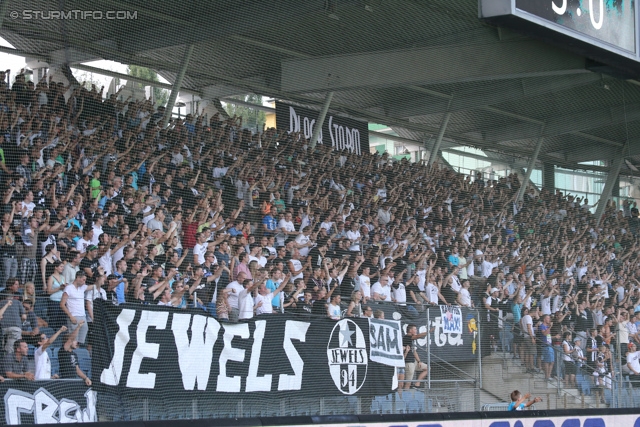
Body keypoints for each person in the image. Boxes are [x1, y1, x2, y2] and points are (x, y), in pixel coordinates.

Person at [60, 271, 96, 345]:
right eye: (83, 280)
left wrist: (99, 276)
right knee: (73, 339)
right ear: (78, 278)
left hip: (83, 316)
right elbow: (62, 304)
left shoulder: (82, 288)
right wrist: (70, 316)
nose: (84, 282)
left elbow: (94, 286)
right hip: (74, 316)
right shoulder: (68, 288)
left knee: (80, 341)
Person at [58, 320, 91, 385]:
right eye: (74, 341)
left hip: (73, 380)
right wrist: (78, 327)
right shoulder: (63, 351)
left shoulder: (74, 354)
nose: (76, 342)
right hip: (64, 381)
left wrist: (86, 378)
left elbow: (77, 369)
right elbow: (70, 339)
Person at [403, 324, 428, 390]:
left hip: (414, 361)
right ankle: (405, 398)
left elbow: (414, 351)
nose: (416, 331)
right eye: (415, 329)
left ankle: (417, 383)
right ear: (410, 330)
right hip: (408, 363)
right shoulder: (407, 337)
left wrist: (419, 361)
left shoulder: (412, 340)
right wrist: (428, 332)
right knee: (408, 383)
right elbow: (418, 336)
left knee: (427, 368)